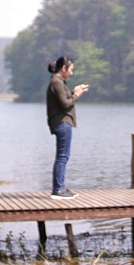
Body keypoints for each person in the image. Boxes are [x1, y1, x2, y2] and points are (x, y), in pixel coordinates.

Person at [46, 56, 89, 199]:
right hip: (62, 124)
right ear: (63, 68)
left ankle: (60, 188)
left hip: (63, 123)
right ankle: (58, 189)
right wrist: (77, 95)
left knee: (63, 156)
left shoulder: (59, 83)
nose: (72, 73)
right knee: (62, 157)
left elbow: (64, 100)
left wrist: (74, 92)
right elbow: (65, 104)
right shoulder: (56, 82)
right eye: (71, 69)